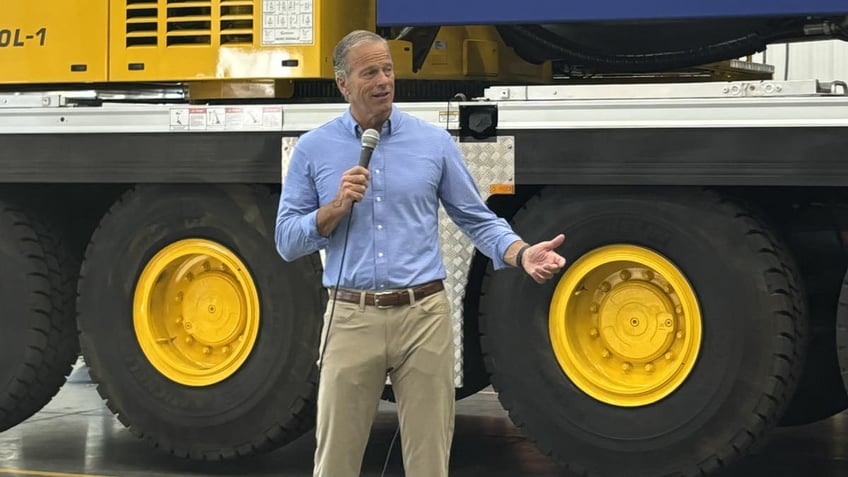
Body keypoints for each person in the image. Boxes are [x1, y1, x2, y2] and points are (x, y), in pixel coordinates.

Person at [275, 29, 566, 477]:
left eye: (388, 69)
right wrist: (333, 208)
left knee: (430, 462)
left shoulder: (433, 143)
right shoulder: (314, 149)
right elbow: (287, 240)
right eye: (369, 72)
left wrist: (520, 253)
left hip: (424, 315)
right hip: (352, 317)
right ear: (343, 84)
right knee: (336, 461)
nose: (383, 81)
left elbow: (476, 218)